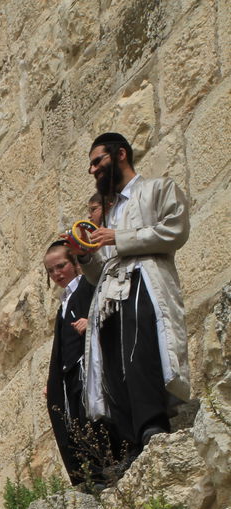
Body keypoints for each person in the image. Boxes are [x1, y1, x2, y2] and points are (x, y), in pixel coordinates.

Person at [75, 132, 192, 468]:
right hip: (110, 291)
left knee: (140, 347)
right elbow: (99, 272)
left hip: (145, 279)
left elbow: (175, 231)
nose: (93, 169)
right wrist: (85, 255)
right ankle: (132, 438)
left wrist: (118, 237)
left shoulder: (157, 189)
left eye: (98, 161)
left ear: (120, 154)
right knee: (114, 359)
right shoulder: (105, 214)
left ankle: (152, 423)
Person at [44, 231, 101, 486]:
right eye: (51, 271)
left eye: (61, 266)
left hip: (86, 367)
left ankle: (101, 470)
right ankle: (88, 476)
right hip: (69, 375)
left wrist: (92, 323)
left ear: (75, 264)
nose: (57, 274)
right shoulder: (64, 303)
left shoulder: (88, 286)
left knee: (91, 418)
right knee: (74, 424)